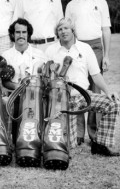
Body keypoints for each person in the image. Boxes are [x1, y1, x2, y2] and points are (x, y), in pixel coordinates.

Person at [45, 18, 119, 156]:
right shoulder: (51, 50)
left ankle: (99, 145)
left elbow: (96, 75)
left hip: (84, 95)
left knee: (112, 104)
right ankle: (68, 140)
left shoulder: (85, 48)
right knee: (70, 146)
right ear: (57, 33)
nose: (63, 31)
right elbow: (46, 78)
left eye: (66, 28)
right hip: (63, 100)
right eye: (60, 29)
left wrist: (108, 91)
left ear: (73, 30)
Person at [65, 0, 112, 144]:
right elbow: (67, 29)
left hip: (95, 46)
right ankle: (77, 135)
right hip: (77, 46)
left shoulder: (101, 3)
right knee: (77, 88)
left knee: (94, 90)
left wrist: (106, 55)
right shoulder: (71, 5)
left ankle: (94, 134)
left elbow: (106, 30)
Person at [2, 18, 47, 90]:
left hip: (36, 97)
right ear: (12, 34)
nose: (21, 35)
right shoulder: (6, 56)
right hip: (14, 96)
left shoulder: (40, 54)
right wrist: (16, 87)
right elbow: (4, 82)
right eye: (17, 32)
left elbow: (46, 79)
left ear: (28, 34)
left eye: (24, 32)